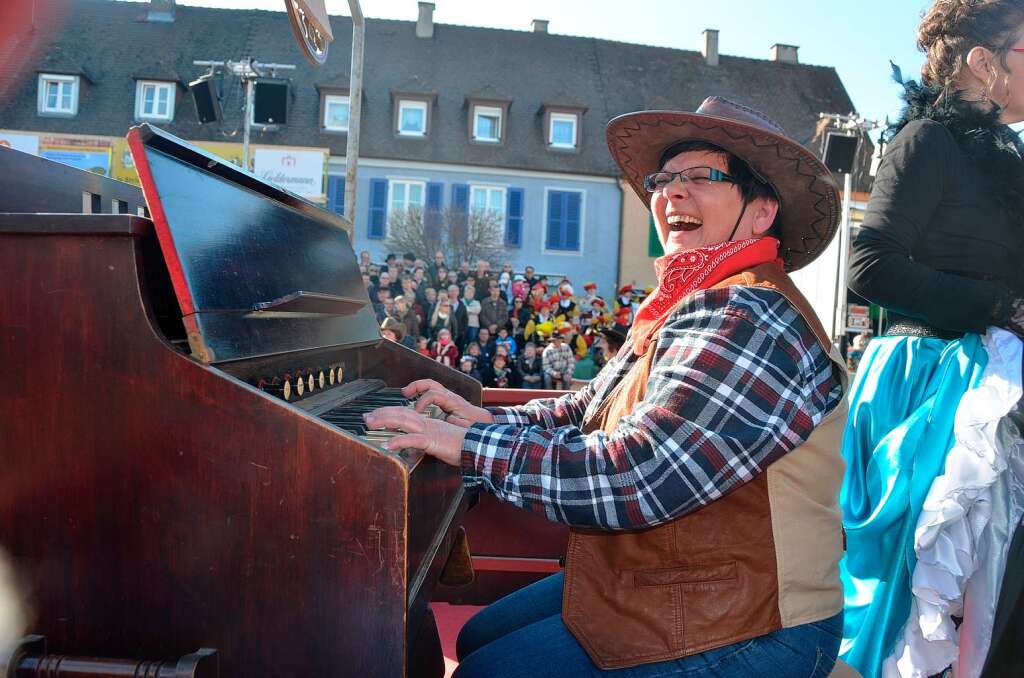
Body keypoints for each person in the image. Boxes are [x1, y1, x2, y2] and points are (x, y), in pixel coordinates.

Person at [365, 97, 847, 676]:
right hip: (679, 579)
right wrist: (476, 418)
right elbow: (589, 408)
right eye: (664, 179)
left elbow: (635, 476)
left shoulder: (746, 314)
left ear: (762, 211)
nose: (671, 193)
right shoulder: (691, 302)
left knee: (484, 670)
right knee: (477, 638)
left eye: (701, 177)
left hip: (755, 624)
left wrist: (469, 446)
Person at [838, 3, 1024, 676]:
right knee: (909, 603)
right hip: (929, 389)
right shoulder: (928, 140)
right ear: (984, 61)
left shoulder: (1009, 157)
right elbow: (870, 266)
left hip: (995, 388)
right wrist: (1000, 304)